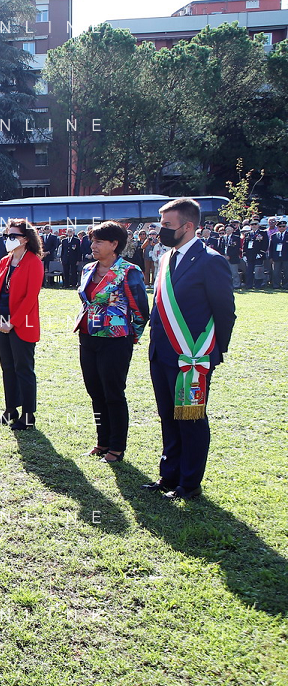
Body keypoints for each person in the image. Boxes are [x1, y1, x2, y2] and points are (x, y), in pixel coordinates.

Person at [142, 198, 236, 500]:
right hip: (161, 353)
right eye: (160, 224)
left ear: (188, 226)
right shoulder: (166, 258)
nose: (160, 231)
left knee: (190, 417)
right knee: (168, 417)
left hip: (191, 357)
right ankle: (168, 476)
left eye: (167, 225)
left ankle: (189, 482)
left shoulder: (210, 261)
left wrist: (213, 352)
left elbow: (225, 311)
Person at [75, 222, 150, 463]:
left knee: (113, 393)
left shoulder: (129, 271)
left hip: (116, 340)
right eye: (92, 241)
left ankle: (116, 447)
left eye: (99, 241)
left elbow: (141, 309)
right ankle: (102, 441)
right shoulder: (88, 268)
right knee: (95, 392)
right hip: (88, 336)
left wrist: (130, 336)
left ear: (114, 244)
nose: (93, 246)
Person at [0, 219, 44, 430]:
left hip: (22, 324)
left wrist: (13, 322)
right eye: (7, 236)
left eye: (13, 236)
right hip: (2, 321)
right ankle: (10, 409)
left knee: (24, 369)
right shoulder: (5, 261)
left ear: (26, 239)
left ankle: (28, 415)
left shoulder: (34, 262)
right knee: (7, 368)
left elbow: (31, 297)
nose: (9, 239)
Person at [242, 223, 268, 288]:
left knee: (258, 271)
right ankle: (249, 285)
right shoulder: (248, 234)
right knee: (249, 271)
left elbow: (265, 243)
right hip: (249, 255)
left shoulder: (262, 233)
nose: (253, 226)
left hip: (258, 255)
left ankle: (258, 285)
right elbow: (245, 245)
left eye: (255, 224)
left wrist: (261, 253)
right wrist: (244, 254)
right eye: (252, 225)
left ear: (258, 225)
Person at [269, 219, 288, 289]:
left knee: (286, 272)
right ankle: (276, 285)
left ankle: (286, 285)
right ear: (277, 227)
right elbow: (271, 247)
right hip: (276, 257)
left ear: (286, 227)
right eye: (280, 226)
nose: (282, 228)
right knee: (276, 272)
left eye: (283, 226)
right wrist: (270, 257)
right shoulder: (274, 236)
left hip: (286, 257)